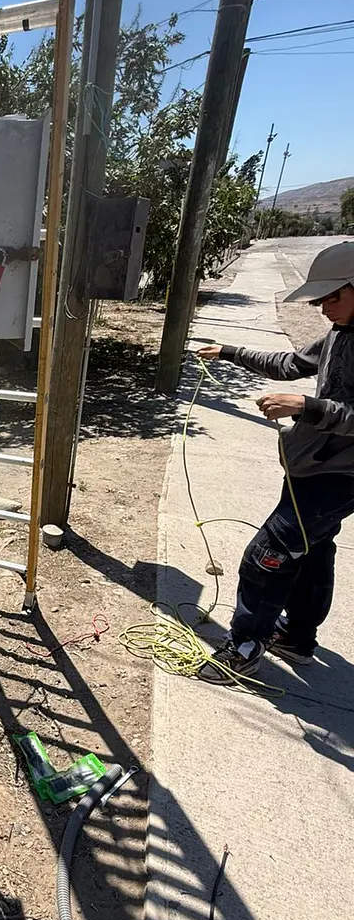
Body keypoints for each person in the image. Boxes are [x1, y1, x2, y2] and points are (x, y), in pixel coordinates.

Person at [195, 240, 354, 682]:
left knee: (269, 554)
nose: (325, 308)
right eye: (321, 300)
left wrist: (307, 407)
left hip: (337, 478)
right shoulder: (340, 334)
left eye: (334, 297)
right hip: (314, 469)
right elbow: (288, 363)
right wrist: (230, 351)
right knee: (313, 550)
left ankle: (244, 648)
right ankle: (298, 638)